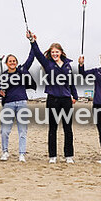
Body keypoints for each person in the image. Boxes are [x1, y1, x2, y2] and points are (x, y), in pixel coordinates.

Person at [29, 31, 79, 163]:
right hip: (52, 99)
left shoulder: (68, 65)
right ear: (50, 54)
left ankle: (69, 156)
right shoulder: (48, 64)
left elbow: (71, 82)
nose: (55, 54)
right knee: (53, 128)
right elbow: (38, 54)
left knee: (68, 128)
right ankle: (53, 156)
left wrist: (75, 96)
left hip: (66, 100)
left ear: (61, 52)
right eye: (52, 52)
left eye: (57, 52)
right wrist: (33, 41)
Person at [0, 49, 36, 162]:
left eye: (14, 61)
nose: (12, 62)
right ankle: (5, 152)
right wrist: (1, 92)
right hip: (8, 104)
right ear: (6, 63)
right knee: (4, 130)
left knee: (22, 130)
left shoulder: (21, 71)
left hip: (22, 102)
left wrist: (32, 43)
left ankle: (22, 154)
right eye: (10, 61)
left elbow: (30, 59)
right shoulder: (3, 75)